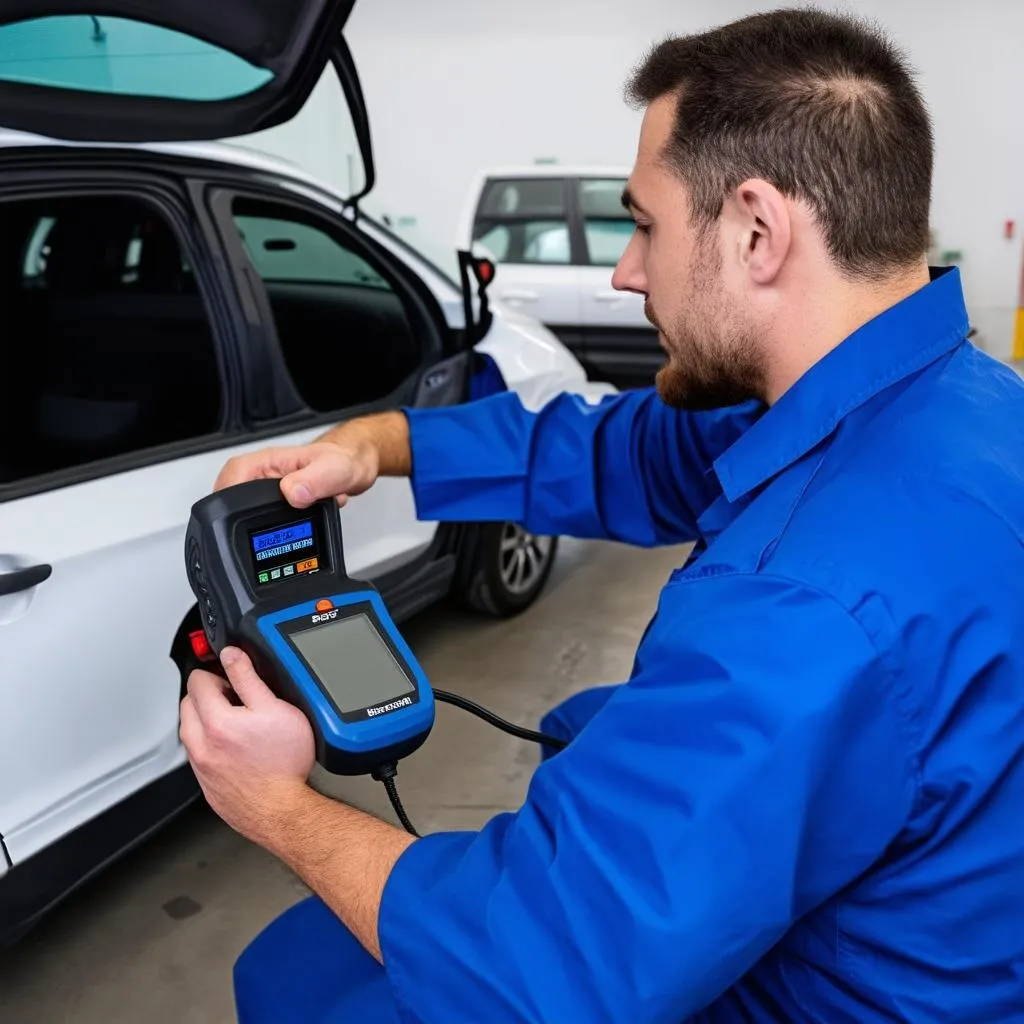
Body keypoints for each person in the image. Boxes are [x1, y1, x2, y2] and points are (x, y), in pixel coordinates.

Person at [180, 8, 1024, 1023]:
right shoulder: (960, 406)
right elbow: (629, 447)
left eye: (644, 223)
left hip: (817, 992)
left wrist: (276, 807)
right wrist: (379, 444)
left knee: (297, 986)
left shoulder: (802, 604)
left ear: (757, 230)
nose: (626, 272)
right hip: (942, 923)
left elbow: (537, 974)